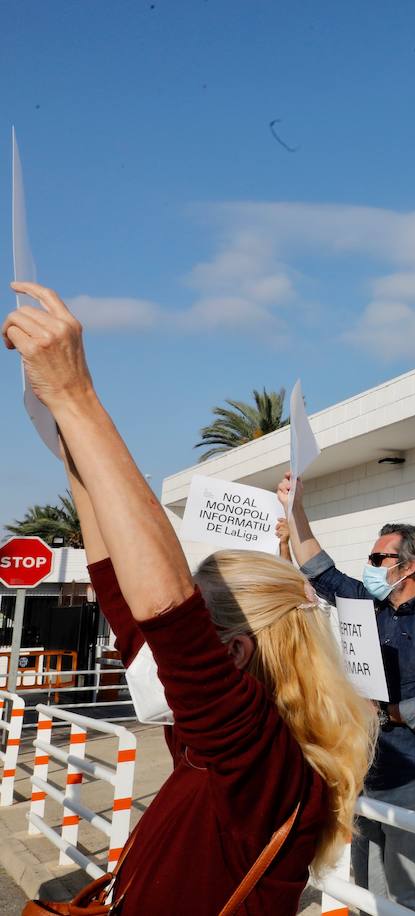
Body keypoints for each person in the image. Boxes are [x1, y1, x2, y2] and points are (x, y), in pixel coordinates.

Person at [4, 281, 377, 914]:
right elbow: (122, 594)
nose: (164, 643)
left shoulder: (263, 767)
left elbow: (167, 613)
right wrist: (64, 432)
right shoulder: (210, 750)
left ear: (230, 653)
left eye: (196, 626)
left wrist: (78, 394)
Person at [277, 475, 415, 916]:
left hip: (414, 774)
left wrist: (388, 713)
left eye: (377, 557)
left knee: (409, 891)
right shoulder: (372, 605)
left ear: (407, 566)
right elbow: (321, 572)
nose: (369, 564)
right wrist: (296, 509)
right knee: (368, 889)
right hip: (369, 769)